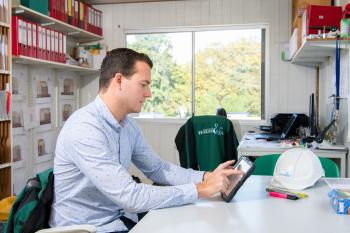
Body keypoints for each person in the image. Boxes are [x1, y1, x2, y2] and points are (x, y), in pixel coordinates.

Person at [49, 48, 241, 233]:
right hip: (88, 228)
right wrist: (199, 190)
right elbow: (129, 196)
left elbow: (157, 169)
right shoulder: (85, 128)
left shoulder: (127, 125)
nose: (149, 93)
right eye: (143, 84)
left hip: (119, 220)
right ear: (119, 81)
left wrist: (206, 177)